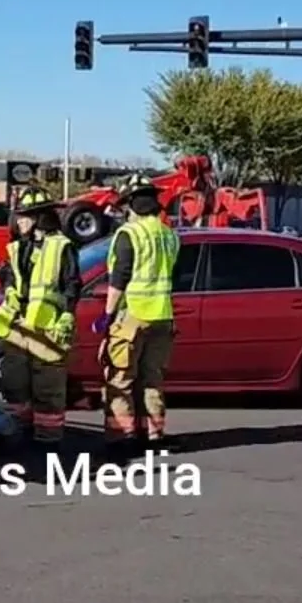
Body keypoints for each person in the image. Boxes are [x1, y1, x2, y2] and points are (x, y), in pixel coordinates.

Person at [0, 187, 81, 446]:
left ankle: (48, 438)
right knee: (14, 383)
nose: (20, 221)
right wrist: (7, 289)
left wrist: (68, 315)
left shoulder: (62, 246)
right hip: (19, 327)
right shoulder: (19, 248)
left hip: (48, 327)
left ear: (40, 217)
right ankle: (19, 431)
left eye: (26, 216)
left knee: (48, 388)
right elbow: (7, 275)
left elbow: (72, 284)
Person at [96, 174, 181, 454]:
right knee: (152, 377)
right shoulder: (169, 235)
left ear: (131, 205)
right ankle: (154, 434)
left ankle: (124, 436)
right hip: (163, 317)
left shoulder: (128, 234)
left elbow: (119, 278)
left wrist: (107, 315)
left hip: (132, 316)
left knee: (120, 378)